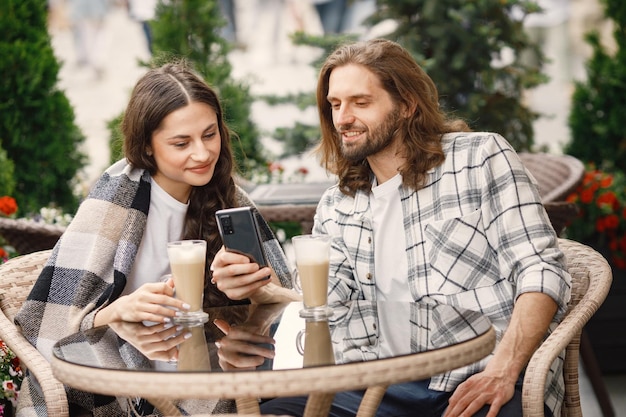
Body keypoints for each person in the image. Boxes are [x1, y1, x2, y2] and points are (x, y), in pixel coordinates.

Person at [249, 39, 572, 416]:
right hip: (378, 386)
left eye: (361, 102)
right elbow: (321, 307)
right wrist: (261, 292)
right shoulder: (338, 204)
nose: (342, 119)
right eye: (335, 105)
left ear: (406, 105)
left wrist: (504, 369)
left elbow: (541, 269)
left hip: (483, 373)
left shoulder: (479, 159)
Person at [14, 61, 296, 416]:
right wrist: (116, 311)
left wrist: (252, 290)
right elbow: (46, 320)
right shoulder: (115, 199)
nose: (203, 153)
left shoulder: (229, 199)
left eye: (210, 134)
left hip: (206, 380)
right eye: (181, 143)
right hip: (118, 383)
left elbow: (288, 308)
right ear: (148, 147)